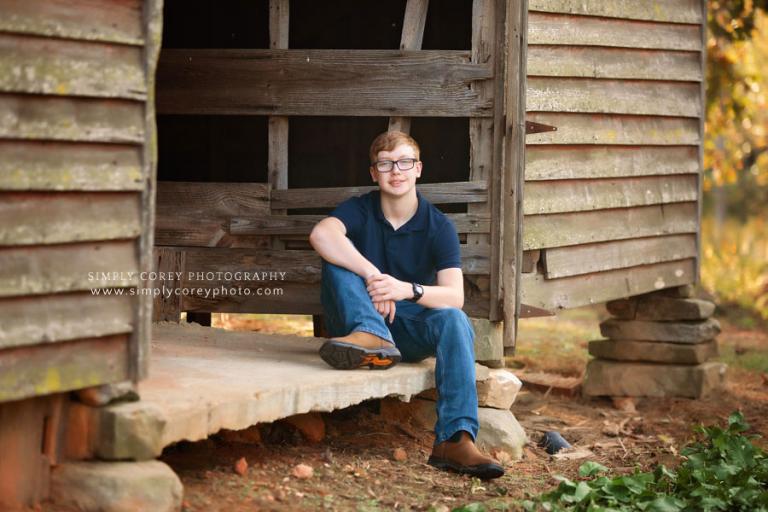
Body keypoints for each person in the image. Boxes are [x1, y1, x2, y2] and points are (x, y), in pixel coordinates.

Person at [308, 130, 504, 480]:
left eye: (404, 162)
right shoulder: (360, 208)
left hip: (405, 330)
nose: (395, 171)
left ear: (418, 169)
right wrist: (373, 277)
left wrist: (404, 290)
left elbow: (454, 295)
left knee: (455, 320)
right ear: (374, 173)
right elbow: (321, 234)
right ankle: (370, 333)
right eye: (385, 164)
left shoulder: (438, 225)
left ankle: (454, 440)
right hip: (353, 324)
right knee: (337, 255)